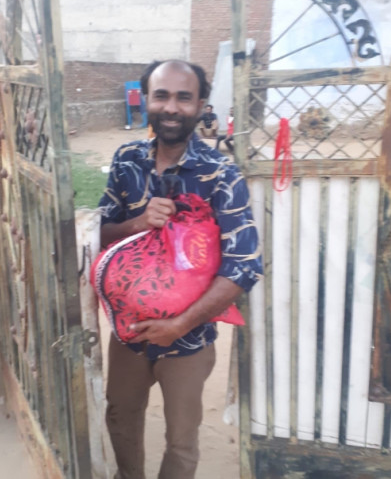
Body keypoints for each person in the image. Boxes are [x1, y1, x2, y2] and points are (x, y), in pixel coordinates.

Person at [98, 59, 262, 479]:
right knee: (120, 414)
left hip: (187, 341)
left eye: (183, 98)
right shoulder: (126, 160)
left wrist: (180, 324)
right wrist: (135, 223)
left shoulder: (220, 174)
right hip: (128, 333)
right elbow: (97, 233)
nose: (171, 107)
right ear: (147, 99)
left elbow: (244, 266)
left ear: (200, 104)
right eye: (162, 95)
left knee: (182, 441)